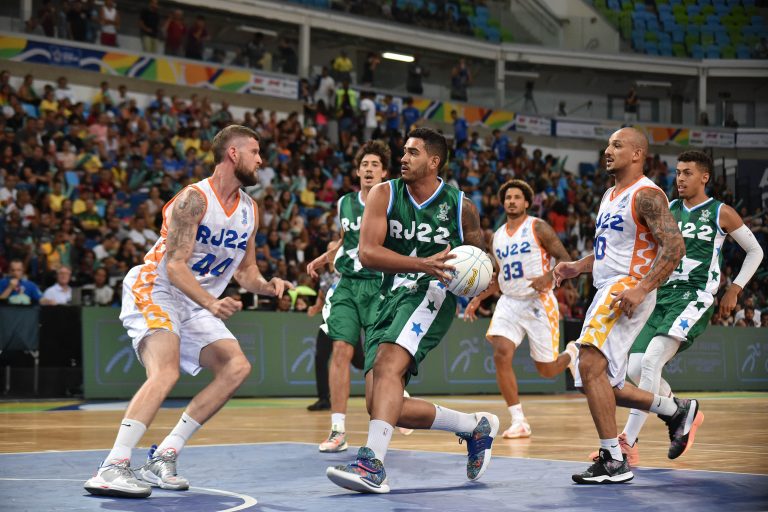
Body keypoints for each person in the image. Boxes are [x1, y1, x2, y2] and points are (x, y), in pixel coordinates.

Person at [84, 125, 293, 498]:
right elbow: (175, 265)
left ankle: (164, 455)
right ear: (233, 154)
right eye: (255, 151)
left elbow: (245, 271)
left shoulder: (249, 210)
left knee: (237, 366)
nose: (261, 160)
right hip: (158, 286)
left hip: (195, 300)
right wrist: (212, 303)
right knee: (165, 370)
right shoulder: (193, 200)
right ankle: (112, 465)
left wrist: (267, 285)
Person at [326, 128, 499, 493]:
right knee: (382, 405)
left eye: (412, 152)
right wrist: (421, 263)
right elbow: (368, 253)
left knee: (388, 365)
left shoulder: (460, 206)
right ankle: (473, 428)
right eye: (403, 152)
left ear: (433, 161)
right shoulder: (384, 194)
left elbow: (482, 260)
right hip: (387, 295)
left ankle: (371, 464)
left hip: (433, 294)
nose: (402, 158)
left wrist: (480, 275)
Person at [553, 127, 701, 485]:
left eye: (616, 145)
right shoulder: (609, 195)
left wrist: (642, 287)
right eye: (607, 144)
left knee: (589, 364)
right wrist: (577, 266)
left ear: (637, 154)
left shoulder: (647, 194)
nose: (608, 150)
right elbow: (610, 253)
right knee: (605, 383)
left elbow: (674, 247)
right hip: (608, 286)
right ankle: (676, 410)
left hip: (625, 289)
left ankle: (613, 459)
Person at [609, 150, 764, 466]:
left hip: (693, 297)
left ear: (704, 177)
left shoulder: (721, 212)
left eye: (688, 172)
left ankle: (627, 443)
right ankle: (682, 411)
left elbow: (755, 251)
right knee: (636, 369)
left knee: (651, 361)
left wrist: (735, 288)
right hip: (659, 297)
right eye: (678, 172)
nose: (680, 178)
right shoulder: (667, 209)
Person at [464, 179, 577, 438]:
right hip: (509, 302)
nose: (511, 201)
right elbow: (499, 276)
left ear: (527, 203)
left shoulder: (538, 227)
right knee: (501, 353)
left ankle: (572, 355)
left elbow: (566, 259)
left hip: (538, 300)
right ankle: (518, 420)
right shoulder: (497, 236)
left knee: (547, 370)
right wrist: (479, 298)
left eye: (517, 197)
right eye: (508, 198)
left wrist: (549, 277)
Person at [306, 140, 389, 453]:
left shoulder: (392, 202)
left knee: (377, 359)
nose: (368, 169)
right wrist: (322, 257)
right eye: (364, 164)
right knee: (340, 348)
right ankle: (338, 430)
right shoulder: (344, 203)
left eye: (374, 165)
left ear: (384, 173)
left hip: (380, 283)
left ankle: (388, 415)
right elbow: (345, 238)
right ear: (358, 171)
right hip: (348, 283)